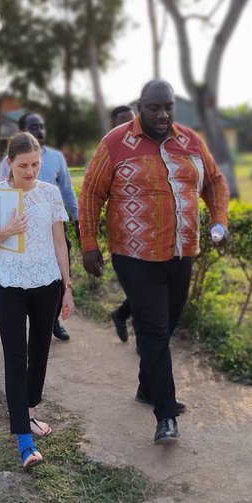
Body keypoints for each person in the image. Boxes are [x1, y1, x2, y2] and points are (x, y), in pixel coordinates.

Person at [79, 80, 229, 445]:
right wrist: (89, 244)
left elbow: (215, 181)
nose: (162, 115)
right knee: (155, 331)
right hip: (134, 255)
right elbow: (91, 192)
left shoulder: (190, 141)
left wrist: (219, 220)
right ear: (140, 106)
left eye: (168, 107)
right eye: (154, 108)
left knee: (167, 325)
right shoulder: (115, 143)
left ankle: (148, 387)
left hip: (182, 251)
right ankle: (165, 415)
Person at [0, 132, 75, 468]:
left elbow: (60, 243)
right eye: (23, 165)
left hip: (47, 284)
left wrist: (67, 286)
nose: (30, 171)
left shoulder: (49, 193)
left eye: (35, 164)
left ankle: (29, 411)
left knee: (40, 354)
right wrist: (5, 231)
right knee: (16, 359)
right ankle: (24, 441)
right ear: (9, 164)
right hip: (10, 286)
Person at [0, 112, 78, 342]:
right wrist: (5, 229)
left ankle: (52, 320)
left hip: (52, 224)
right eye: (33, 127)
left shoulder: (56, 158)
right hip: (19, 240)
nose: (30, 171)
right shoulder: (8, 168)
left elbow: (67, 190)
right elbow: (5, 195)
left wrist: (77, 218)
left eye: (42, 126)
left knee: (54, 273)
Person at [107, 105, 137, 343]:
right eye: (123, 123)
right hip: (123, 238)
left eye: (132, 121)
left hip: (152, 235)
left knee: (146, 291)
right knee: (141, 290)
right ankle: (145, 339)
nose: (130, 127)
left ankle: (121, 314)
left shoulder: (151, 147)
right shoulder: (109, 152)